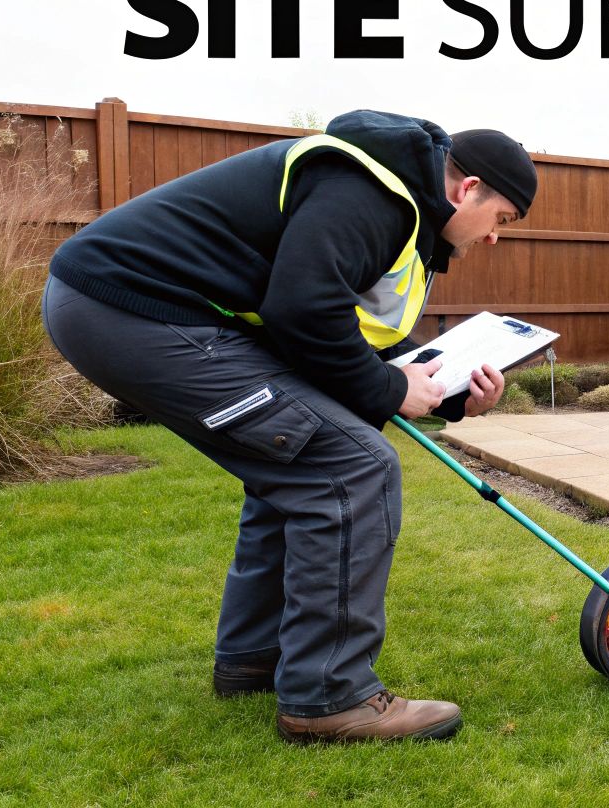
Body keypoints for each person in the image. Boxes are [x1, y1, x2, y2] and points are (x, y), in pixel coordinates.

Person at [41, 110, 537, 744]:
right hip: (131, 310)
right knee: (350, 465)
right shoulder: (372, 191)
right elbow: (302, 310)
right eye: (503, 220)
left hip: (130, 309)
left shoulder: (391, 206)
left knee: (299, 461)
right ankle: (329, 696)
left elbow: (346, 331)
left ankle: (255, 660)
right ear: (468, 190)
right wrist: (387, 390)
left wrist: (448, 398)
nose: (496, 238)